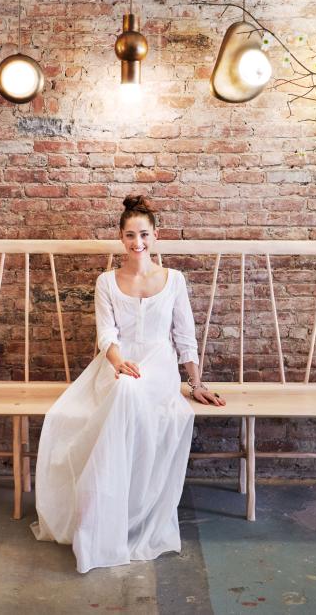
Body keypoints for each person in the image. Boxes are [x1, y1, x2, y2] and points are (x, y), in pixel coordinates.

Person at [31, 194, 226, 573]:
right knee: (122, 388)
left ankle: (124, 513)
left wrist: (195, 382)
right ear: (120, 237)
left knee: (132, 391)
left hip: (160, 364)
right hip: (119, 363)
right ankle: (99, 514)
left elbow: (184, 336)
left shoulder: (174, 280)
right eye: (130, 236)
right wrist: (119, 363)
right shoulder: (106, 281)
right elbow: (107, 335)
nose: (137, 243)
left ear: (156, 236)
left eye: (144, 235)